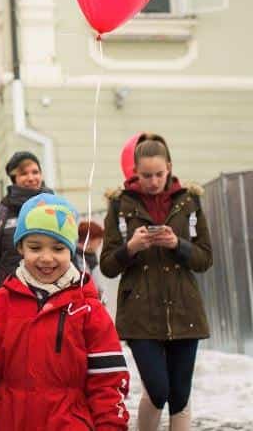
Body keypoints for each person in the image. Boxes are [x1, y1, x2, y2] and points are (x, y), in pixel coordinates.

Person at [0, 193, 130, 430]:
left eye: (58, 248)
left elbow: (107, 381)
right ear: (20, 248)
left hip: (68, 423)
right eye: (35, 247)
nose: (46, 258)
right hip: (7, 422)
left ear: (71, 251)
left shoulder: (88, 309)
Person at [100, 133, 212, 431]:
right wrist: (131, 248)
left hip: (184, 311)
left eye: (159, 174)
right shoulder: (119, 205)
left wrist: (178, 244)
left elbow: (205, 260)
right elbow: (108, 266)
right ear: (135, 171)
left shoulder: (189, 200)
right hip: (140, 314)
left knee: (180, 395)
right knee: (159, 389)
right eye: (146, 175)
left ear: (170, 167)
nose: (153, 181)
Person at [0, 151, 53, 308]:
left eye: (35, 172)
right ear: (14, 178)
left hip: (49, 299)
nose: (31, 178)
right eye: (24, 173)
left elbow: (69, 256)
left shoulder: (55, 208)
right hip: (10, 301)